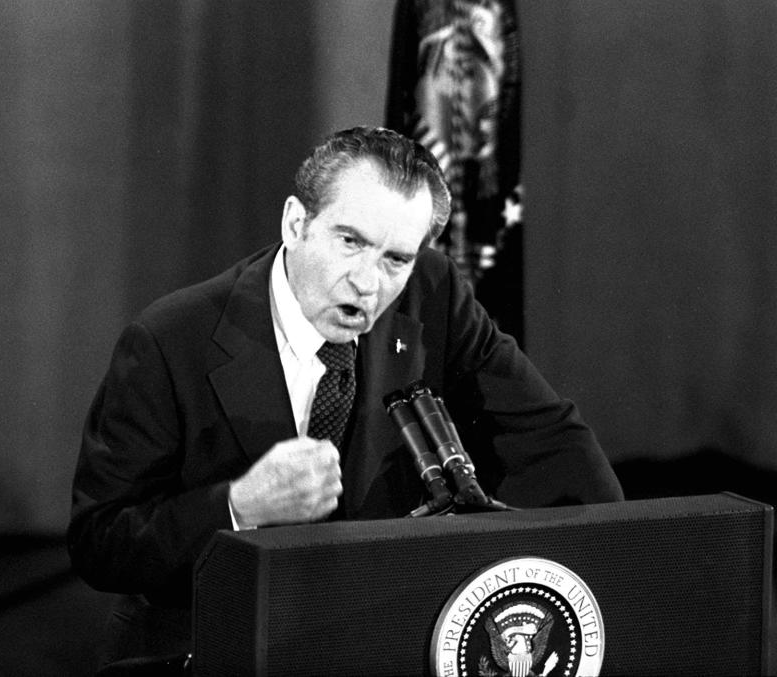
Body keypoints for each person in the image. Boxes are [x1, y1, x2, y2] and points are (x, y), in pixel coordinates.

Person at [68, 126, 623, 666]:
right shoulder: (170, 339)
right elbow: (100, 541)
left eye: (395, 260)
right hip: (212, 638)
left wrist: (622, 574)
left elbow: (551, 438)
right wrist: (238, 506)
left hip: (370, 629)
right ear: (295, 222)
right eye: (350, 242)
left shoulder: (433, 292)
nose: (368, 282)